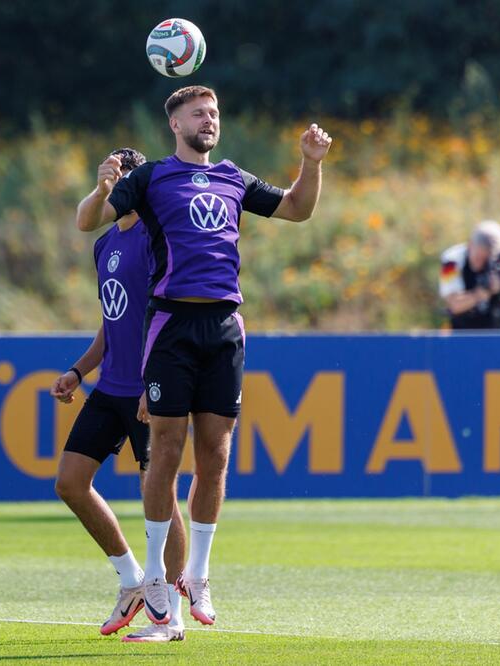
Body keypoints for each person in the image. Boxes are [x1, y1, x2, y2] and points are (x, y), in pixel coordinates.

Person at [74, 85, 332, 628]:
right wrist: (101, 190)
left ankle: (198, 574)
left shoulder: (234, 178)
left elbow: (297, 209)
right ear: (175, 124)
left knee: (215, 453)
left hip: (223, 327)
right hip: (171, 325)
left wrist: (310, 164)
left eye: (214, 113)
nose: (209, 120)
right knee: (164, 452)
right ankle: (154, 578)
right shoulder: (150, 179)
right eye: (198, 113)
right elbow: (86, 221)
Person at [52, 148, 188, 643]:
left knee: (161, 496)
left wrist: (159, 382)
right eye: (113, 175)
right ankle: (133, 579)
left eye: (127, 176)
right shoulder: (105, 242)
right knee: (70, 482)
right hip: (110, 387)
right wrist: (78, 369)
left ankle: (170, 613)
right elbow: (113, 321)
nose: (120, 184)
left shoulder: (159, 240)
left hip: (150, 389)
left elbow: (165, 316)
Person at [440, 220, 500, 329]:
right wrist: (482, 293)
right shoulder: (452, 261)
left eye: (486, 260)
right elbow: (454, 305)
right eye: (478, 257)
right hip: (462, 334)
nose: (481, 263)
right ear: (470, 244)